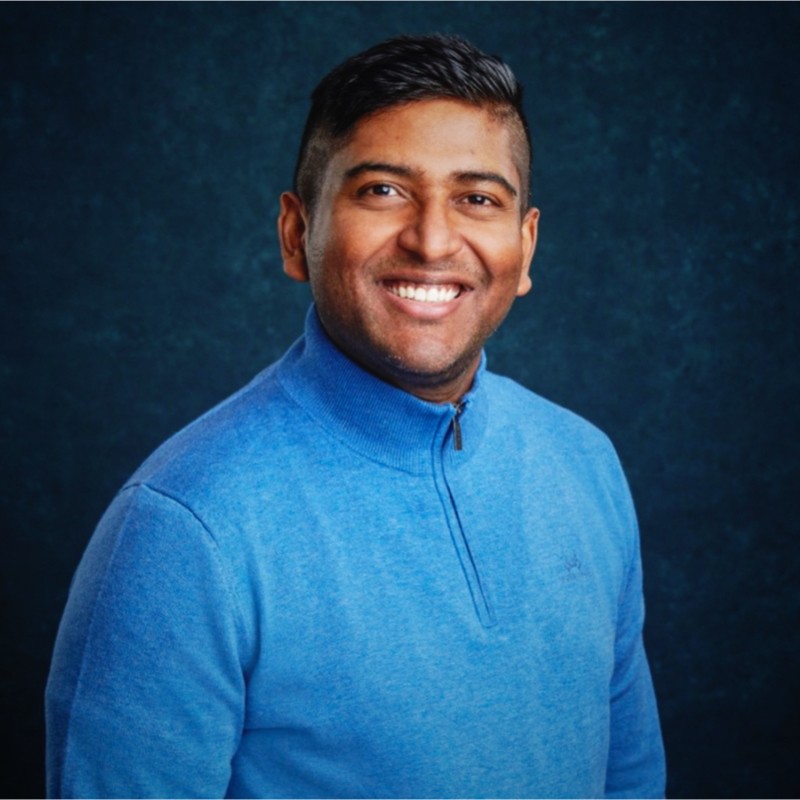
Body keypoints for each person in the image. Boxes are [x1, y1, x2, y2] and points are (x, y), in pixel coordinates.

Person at [46, 34, 666, 799]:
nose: (432, 240)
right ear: (296, 234)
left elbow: (631, 781)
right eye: (382, 190)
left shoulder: (585, 463)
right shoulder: (182, 528)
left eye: (477, 199)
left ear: (525, 245)